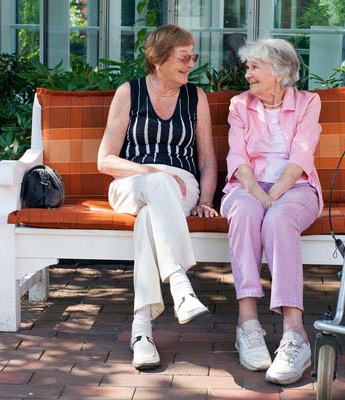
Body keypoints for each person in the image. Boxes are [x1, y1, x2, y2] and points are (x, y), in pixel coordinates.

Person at [97, 24, 218, 371]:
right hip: (131, 182)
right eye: (185, 57)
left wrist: (205, 200)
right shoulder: (128, 93)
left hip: (181, 187)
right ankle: (180, 284)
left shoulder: (196, 97)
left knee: (150, 220)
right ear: (159, 58)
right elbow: (105, 160)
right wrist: (153, 173)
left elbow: (207, 159)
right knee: (158, 187)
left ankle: (142, 332)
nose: (191, 63)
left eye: (193, 56)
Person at [220, 38, 323, 385]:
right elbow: (238, 158)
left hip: (296, 188)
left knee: (279, 219)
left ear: (279, 73)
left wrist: (274, 197)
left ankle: (295, 335)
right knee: (246, 213)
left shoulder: (309, 103)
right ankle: (247, 324)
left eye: (254, 67)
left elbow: (301, 157)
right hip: (246, 188)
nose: (247, 74)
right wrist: (259, 196)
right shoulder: (239, 105)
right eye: (248, 67)